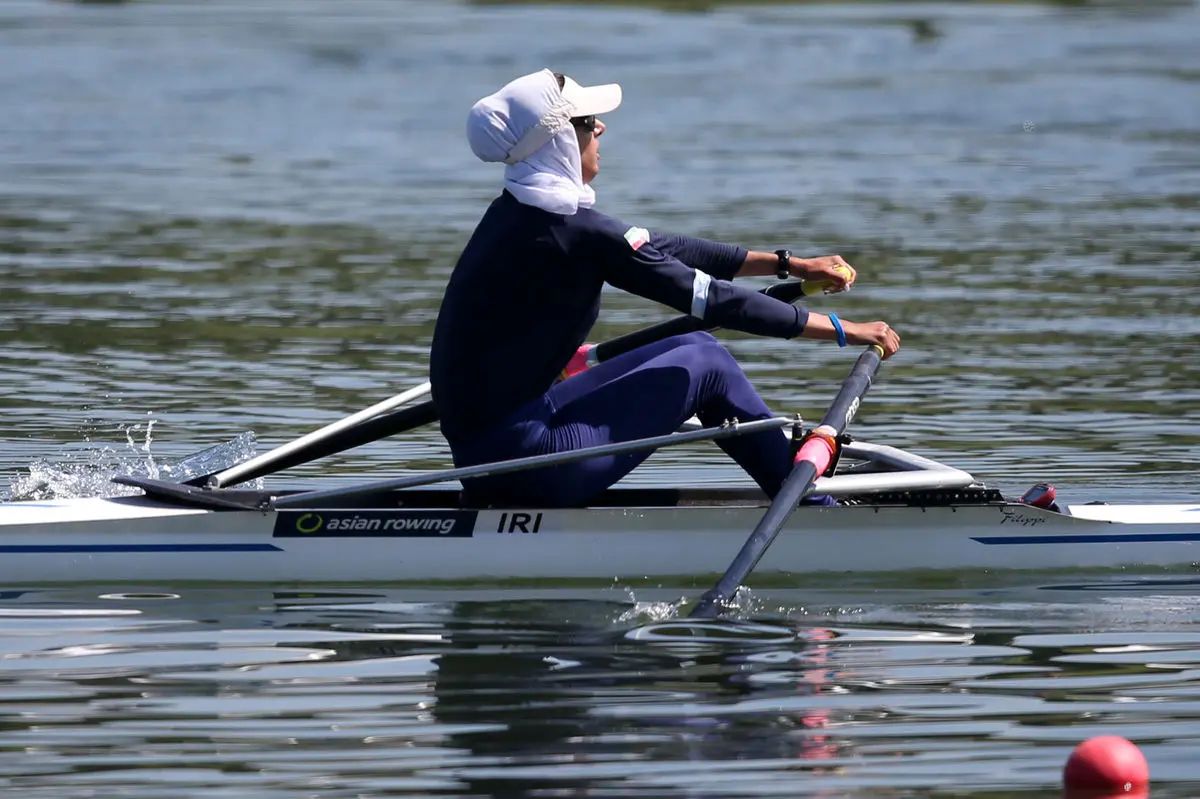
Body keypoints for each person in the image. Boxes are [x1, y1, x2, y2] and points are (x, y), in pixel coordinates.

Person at [429, 68, 900, 508]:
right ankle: (811, 508)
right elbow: (714, 300)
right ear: (558, 141)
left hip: (497, 450)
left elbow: (660, 247)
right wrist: (846, 330)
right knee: (708, 362)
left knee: (692, 342)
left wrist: (786, 263)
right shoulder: (575, 233)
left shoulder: (520, 213)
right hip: (525, 466)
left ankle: (793, 487)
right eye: (589, 122)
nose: (601, 131)